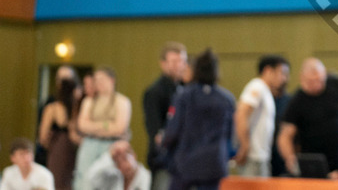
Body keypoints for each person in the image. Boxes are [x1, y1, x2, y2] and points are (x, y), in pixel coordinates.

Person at [161, 49, 235, 190]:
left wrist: (164, 146)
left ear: (195, 70)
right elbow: (230, 135)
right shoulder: (227, 99)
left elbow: (173, 130)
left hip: (186, 162)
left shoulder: (184, 97)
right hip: (214, 163)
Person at [277, 58, 338, 178]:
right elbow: (285, 136)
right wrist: (290, 158)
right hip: (313, 162)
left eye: (320, 80)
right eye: (312, 82)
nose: (317, 84)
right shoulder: (296, 101)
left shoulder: (336, 84)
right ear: (302, 78)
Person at [74, 68, 131, 190]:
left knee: (110, 179)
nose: (98, 83)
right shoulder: (89, 101)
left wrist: (93, 125)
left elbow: (119, 128)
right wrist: (107, 124)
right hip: (90, 144)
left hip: (112, 145)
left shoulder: (121, 101)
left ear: (111, 80)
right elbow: (82, 125)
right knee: (84, 178)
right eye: (96, 80)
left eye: (101, 79)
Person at [234, 55, 290, 177]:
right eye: (282, 73)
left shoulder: (266, 91)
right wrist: (244, 146)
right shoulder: (257, 86)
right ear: (268, 70)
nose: (284, 78)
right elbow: (241, 113)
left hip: (261, 156)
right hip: (253, 156)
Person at [142, 42, 186, 190]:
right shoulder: (154, 92)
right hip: (164, 161)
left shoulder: (186, 89)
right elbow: (155, 131)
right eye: (174, 62)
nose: (179, 65)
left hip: (185, 160)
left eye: (182, 61)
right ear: (163, 64)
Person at [39, 74, 80, 190]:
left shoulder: (52, 108)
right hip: (74, 146)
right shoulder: (77, 109)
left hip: (58, 146)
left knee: (57, 180)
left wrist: (48, 145)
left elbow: (43, 135)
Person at [83, 142, 150, 190]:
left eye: (125, 158)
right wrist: (109, 155)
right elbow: (90, 177)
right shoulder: (113, 176)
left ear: (134, 155)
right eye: (119, 163)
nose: (123, 165)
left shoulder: (144, 175)